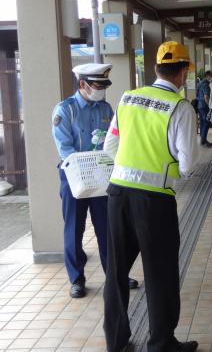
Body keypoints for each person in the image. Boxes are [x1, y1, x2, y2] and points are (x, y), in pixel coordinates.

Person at [102, 41, 198, 352]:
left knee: (116, 271)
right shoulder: (180, 108)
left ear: (156, 69)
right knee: (160, 273)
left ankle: (116, 341)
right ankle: (161, 343)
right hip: (154, 201)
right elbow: (188, 165)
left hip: (117, 194)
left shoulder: (127, 98)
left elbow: (110, 147)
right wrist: (164, 173)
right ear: (182, 73)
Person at [51, 63, 138, 299]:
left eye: (103, 86)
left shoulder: (106, 109)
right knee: (74, 229)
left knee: (107, 228)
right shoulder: (65, 110)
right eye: (97, 86)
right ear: (83, 85)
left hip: (100, 177)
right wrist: (86, 165)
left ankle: (115, 274)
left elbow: (112, 141)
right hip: (73, 178)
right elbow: (65, 148)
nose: (101, 90)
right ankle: (76, 278)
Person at [196, 70, 212, 147]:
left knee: (202, 122)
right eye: (211, 77)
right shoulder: (206, 85)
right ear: (207, 76)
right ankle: (203, 140)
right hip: (204, 106)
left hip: (199, 106)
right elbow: (206, 97)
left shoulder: (200, 83)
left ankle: (202, 139)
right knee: (206, 123)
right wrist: (210, 106)